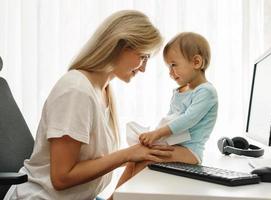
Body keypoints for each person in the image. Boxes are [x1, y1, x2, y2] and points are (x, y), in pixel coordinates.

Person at [4, 10, 175, 200]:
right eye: (143, 57)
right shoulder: (76, 91)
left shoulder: (104, 90)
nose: (143, 69)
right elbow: (61, 177)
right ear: (119, 45)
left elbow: (93, 162)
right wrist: (127, 155)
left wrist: (136, 154)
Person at [116, 32, 218, 189]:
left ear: (196, 62)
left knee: (147, 159)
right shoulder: (181, 91)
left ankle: (125, 196)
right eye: (168, 67)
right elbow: (171, 117)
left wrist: (156, 134)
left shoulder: (206, 92)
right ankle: (114, 197)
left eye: (174, 65)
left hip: (190, 151)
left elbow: (187, 120)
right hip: (175, 145)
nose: (170, 72)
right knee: (134, 158)